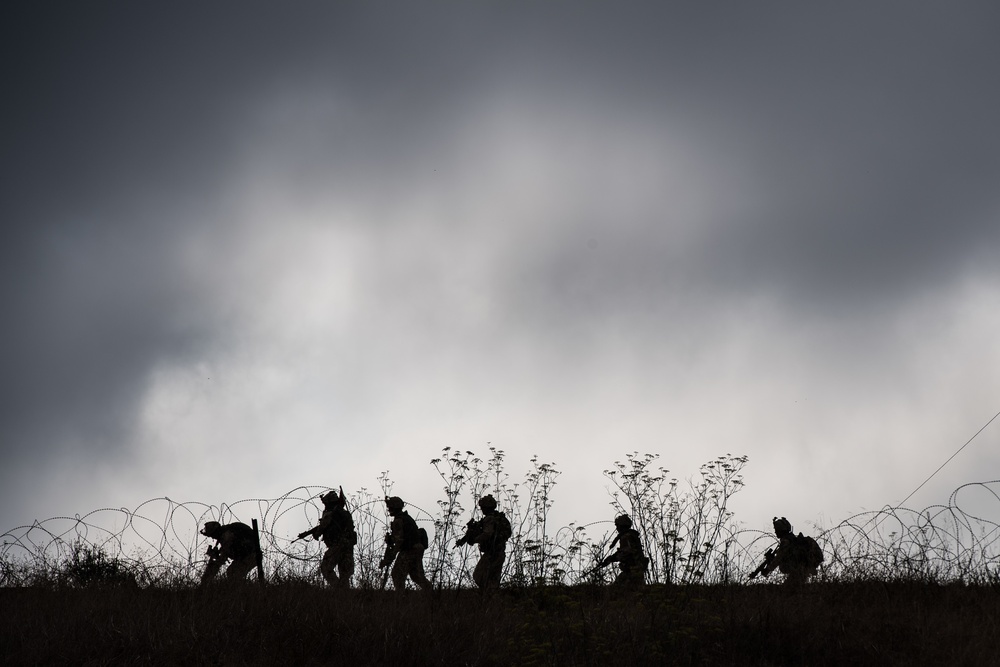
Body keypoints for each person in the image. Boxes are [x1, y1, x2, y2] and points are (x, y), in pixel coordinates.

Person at [297, 487, 357, 588]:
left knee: (326, 568)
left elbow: (323, 526)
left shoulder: (331, 512)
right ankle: (345, 594)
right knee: (344, 573)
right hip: (348, 546)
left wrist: (316, 534)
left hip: (337, 544)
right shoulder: (344, 513)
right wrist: (308, 533)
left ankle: (338, 588)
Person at [455, 494, 512, 589]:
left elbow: (487, 534)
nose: (481, 509)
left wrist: (474, 539)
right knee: (493, 580)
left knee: (479, 576)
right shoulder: (499, 518)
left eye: (482, 507)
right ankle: (493, 599)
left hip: (492, 554)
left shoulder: (489, 519)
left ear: (486, 507)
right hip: (499, 552)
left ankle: (488, 596)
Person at [378, 496, 432, 591]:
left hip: (409, 549)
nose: (389, 509)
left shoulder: (399, 520)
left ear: (395, 507)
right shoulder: (406, 518)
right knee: (416, 576)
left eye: (390, 507)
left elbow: (399, 541)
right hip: (417, 548)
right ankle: (431, 592)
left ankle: (400, 597)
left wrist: (390, 557)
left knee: (397, 574)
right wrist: (391, 539)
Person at [750, 516, 824, 584]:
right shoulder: (792, 540)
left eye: (776, 530)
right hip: (802, 569)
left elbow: (779, 558)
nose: (775, 532)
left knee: (789, 590)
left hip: (799, 570)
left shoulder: (786, 542)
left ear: (781, 530)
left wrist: (768, 569)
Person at [200, 520, 259, 584]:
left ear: (215, 532)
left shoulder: (226, 535)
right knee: (232, 572)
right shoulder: (226, 533)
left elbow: (224, 555)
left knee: (234, 574)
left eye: (212, 535)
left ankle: (246, 590)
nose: (212, 537)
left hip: (251, 556)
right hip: (247, 556)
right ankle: (245, 588)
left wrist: (214, 566)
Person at [597, 514, 648, 586]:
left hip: (632, 570)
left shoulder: (626, 536)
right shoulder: (631, 535)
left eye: (617, 525)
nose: (616, 528)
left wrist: (610, 559)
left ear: (621, 525)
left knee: (618, 590)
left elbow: (625, 552)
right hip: (635, 569)